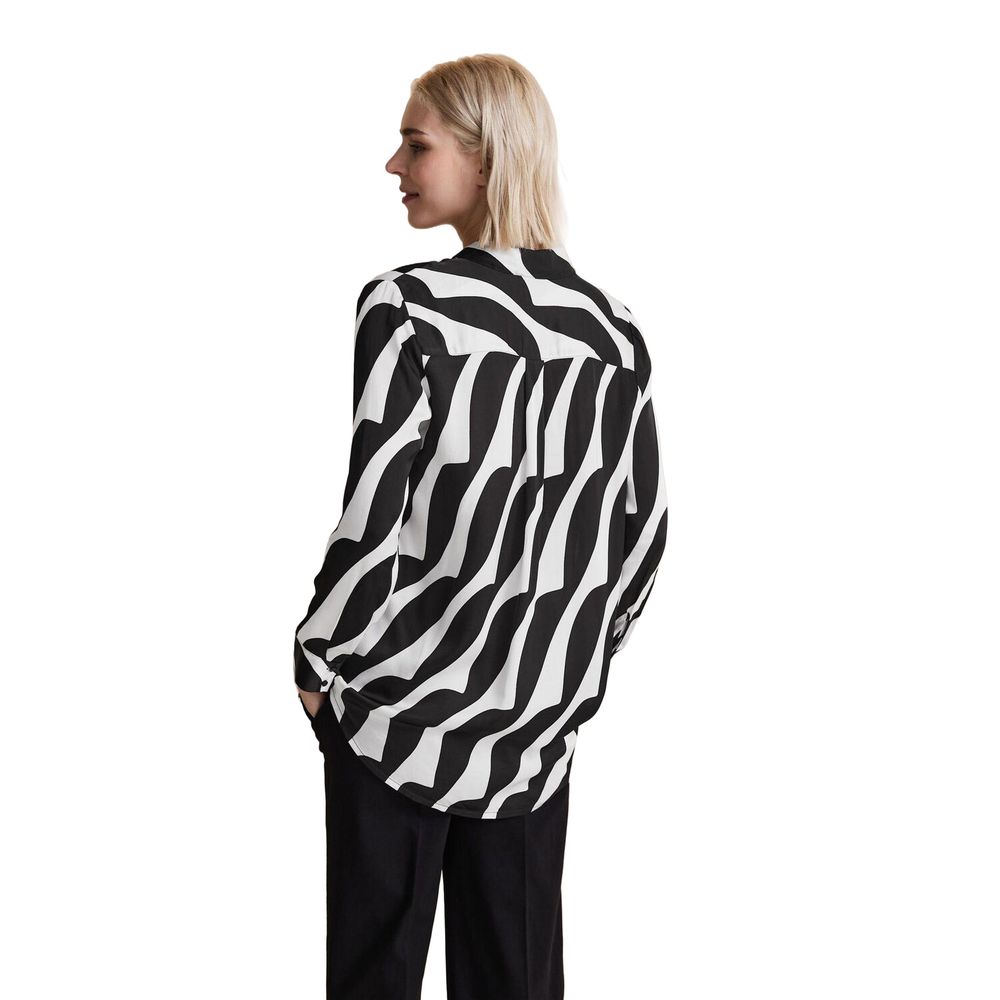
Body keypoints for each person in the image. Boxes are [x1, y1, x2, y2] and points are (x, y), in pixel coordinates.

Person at [293, 53, 668, 1000]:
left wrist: (317, 658)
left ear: (485, 156)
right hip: (532, 735)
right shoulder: (614, 333)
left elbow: (375, 510)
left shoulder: (407, 307)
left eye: (415, 145)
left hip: (393, 716)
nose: (394, 166)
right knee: (519, 981)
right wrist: (563, 680)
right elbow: (641, 537)